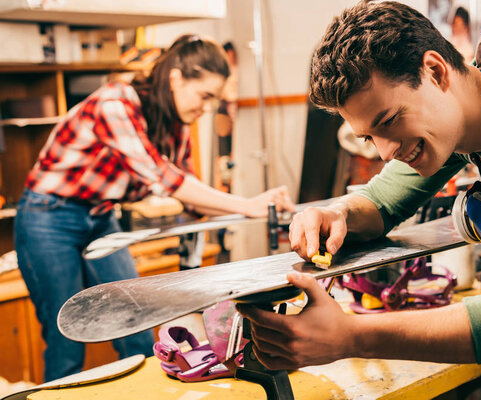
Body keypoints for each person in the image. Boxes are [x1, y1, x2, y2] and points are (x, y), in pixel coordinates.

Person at [237, 1, 481, 370]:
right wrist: (336, 214)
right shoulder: (468, 112)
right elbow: (380, 203)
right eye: (369, 138)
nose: (386, 152)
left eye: (390, 120)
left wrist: (349, 336)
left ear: (435, 72)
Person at [15, 35, 294, 381]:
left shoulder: (174, 125)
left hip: (101, 217)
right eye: (205, 96)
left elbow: (193, 201)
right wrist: (249, 205)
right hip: (48, 216)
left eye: (215, 100)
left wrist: (261, 204)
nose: (207, 108)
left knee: (134, 322)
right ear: (176, 78)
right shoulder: (115, 102)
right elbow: (167, 181)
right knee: (65, 340)